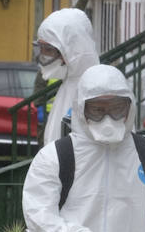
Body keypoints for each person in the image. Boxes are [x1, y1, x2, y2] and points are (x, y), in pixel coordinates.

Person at [21, 64, 145, 232]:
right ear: (81, 108)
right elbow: (38, 216)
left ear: (130, 106)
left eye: (116, 108)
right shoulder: (56, 156)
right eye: (97, 109)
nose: (108, 117)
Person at [34, 8, 100, 144]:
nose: (43, 56)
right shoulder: (70, 83)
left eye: (48, 49)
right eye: (40, 48)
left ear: (70, 49)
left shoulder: (97, 90)